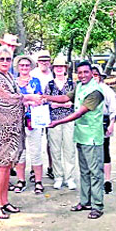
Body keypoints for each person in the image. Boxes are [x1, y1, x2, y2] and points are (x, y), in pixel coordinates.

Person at [0, 45, 42, 219]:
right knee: (1, 168)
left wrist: (30, 102)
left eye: (8, 59)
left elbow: (17, 99)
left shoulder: (9, 76)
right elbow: (6, 98)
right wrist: (29, 98)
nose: (5, 62)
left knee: (7, 167)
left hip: (13, 130)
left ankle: (5, 201)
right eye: (1, 59)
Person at [48, 61, 105, 220]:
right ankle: (85, 201)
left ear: (91, 73)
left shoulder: (95, 91)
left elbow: (79, 112)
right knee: (84, 171)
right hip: (81, 135)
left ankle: (97, 205)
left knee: (95, 172)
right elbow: (65, 97)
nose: (82, 75)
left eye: (86, 72)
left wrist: (58, 122)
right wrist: (45, 97)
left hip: (92, 137)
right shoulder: (79, 86)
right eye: (79, 73)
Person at [13, 54, 45, 194]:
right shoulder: (13, 82)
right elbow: (11, 100)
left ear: (30, 67)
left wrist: (26, 101)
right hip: (16, 122)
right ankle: (21, 180)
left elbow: (40, 99)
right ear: (18, 67)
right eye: (22, 65)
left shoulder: (36, 81)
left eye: (27, 65)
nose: (24, 68)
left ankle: (38, 181)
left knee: (36, 151)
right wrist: (27, 100)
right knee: (20, 153)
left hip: (33, 120)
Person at [45, 56, 76, 190]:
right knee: (55, 149)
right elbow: (46, 102)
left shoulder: (72, 84)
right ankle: (58, 177)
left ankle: (69, 178)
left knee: (69, 149)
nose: (59, 69)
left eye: (61, 67)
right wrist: (59, 104)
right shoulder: (50, 85)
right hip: (54, 121)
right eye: (56, 67)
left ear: (65, 69)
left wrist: (64, 104)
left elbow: (75, 102)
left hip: (69, 119)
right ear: (53, 69)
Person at [91, 64, 116, 195]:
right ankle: (94, 178)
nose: (93, 77)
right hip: (89, 123)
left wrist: (111, 124)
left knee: (105, 151)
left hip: (103, 121)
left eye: (96, 75)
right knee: (91, 152)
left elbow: (113, 110)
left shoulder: (106, 90)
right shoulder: (84, 89)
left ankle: (107, 180)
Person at [31, 49, 55, 181]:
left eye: (46, 60)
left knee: (51, 140)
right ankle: (34, 170)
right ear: (37, 62)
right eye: (41, 60)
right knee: (36, 141)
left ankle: (51, 167)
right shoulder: (32, 74)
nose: (44, 62)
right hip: (36, 110)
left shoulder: (54, 74)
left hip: (51, 109)